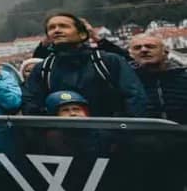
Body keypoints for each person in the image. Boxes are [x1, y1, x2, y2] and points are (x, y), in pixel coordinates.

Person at [23, 12, 153, 118]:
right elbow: (31, 105)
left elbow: (135, 98)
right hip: (62, 141)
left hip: (113, 139)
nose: (56, 30)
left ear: (83, 34)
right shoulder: (43, 69)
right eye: (51, 28)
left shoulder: (108, 61)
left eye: (63, 26)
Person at [129, 34, 187, 123]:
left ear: (165, 51)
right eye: (137, 48)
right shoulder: (126, 80)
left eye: (150, 47)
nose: (144, 50)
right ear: (131, 54)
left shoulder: (183, 77)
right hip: (142, 134)